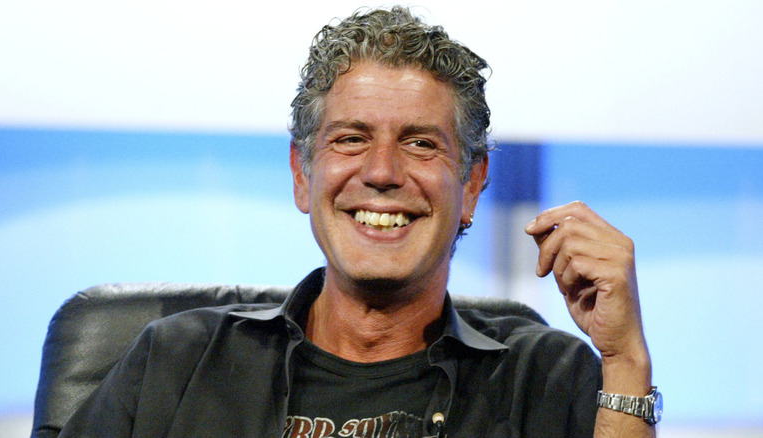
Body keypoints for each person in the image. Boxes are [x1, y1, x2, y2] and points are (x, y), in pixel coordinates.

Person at [59, 6, 659, 437]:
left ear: (473, 184)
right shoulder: (175, 362)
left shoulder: (545, 380)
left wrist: (626, 360)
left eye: (421, 144)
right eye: (350, 139)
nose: (381, 172)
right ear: (302, 174)